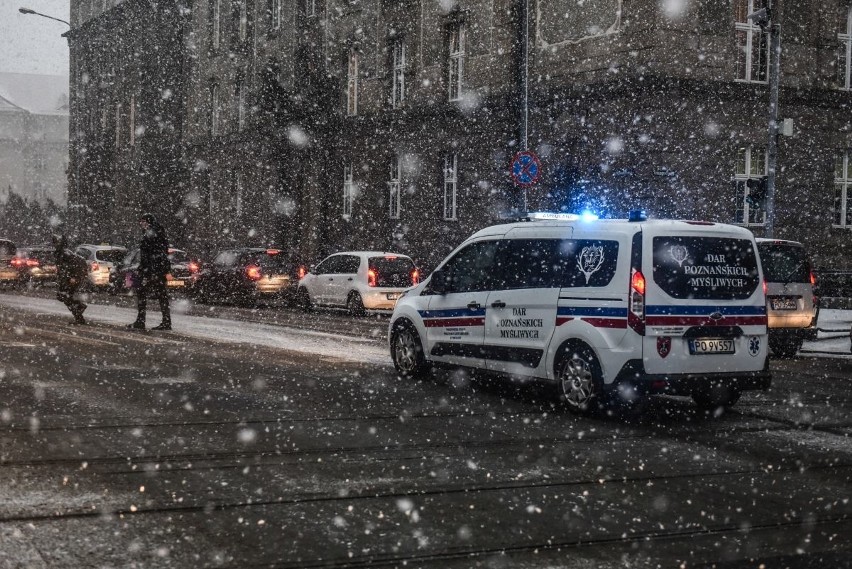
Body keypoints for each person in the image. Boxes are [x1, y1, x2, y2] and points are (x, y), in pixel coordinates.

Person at [128, 213, 171, 330]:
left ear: (148, 222)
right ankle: (166, 321)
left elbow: (151, 254)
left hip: (153, 270)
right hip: (157, 269)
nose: (141, 224)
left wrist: (148, 270)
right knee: (161, 295)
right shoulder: (157, 232)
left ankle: (141, 321)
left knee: (143, 293)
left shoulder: (152, 234)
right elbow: (161, 253)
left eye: (143, 221)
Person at [52, 234, 88, 324]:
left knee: (65, 296)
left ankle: (79, 313)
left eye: (56, 242)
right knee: (65, 296)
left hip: (69, 278)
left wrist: (73, 277)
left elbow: (72, 265)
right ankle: (79, 312)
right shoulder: (62, 253)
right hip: (67, 278)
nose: (54, 244)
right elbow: (62, 267)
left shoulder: (65, 253)